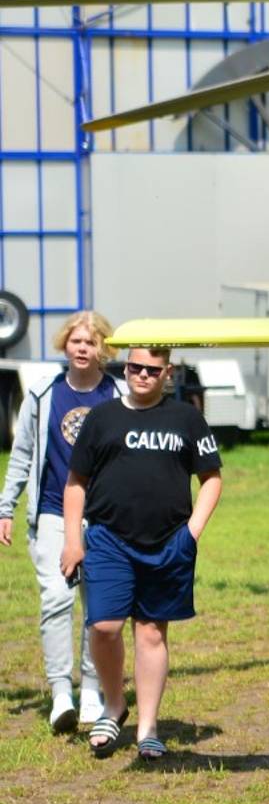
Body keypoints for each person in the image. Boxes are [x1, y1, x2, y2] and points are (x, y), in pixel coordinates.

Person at [59, 347, 222, 759]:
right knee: (105, 627)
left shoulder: (186, 418)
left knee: (151, 632)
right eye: (134, 367)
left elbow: (212, 479)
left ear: (167, 372)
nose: (142, 375)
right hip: (109, 540)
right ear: (125, 367)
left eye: (152, 369)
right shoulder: (103, 417)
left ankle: (148, 727)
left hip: (167, 542)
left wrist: (192, 533)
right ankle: (114, 706)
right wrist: (73, 540)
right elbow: (76, 482)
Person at [0, 312, 124, 732]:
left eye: (91, 342)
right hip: (52, 512)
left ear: (104, 348)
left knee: (99, 608)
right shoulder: (43, 393)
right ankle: (59, 694)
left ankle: (92, 688)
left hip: (106, 517)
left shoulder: (118, 394)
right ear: (64, 345)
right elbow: (22, 455)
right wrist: (6, 507)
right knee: (56, 597)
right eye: (76, 341)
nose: (83, 348)